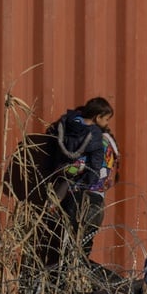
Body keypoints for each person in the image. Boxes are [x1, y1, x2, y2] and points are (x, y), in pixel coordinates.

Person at [50, 97, 116, 258]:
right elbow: (101, 168)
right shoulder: (100, 139)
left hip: (71, 195)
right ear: (97, 117)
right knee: (79, 254)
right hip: (91, 197)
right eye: (106, 119)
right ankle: (122, 283)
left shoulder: (68, 134)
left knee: (69, 252)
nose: (108, 123)